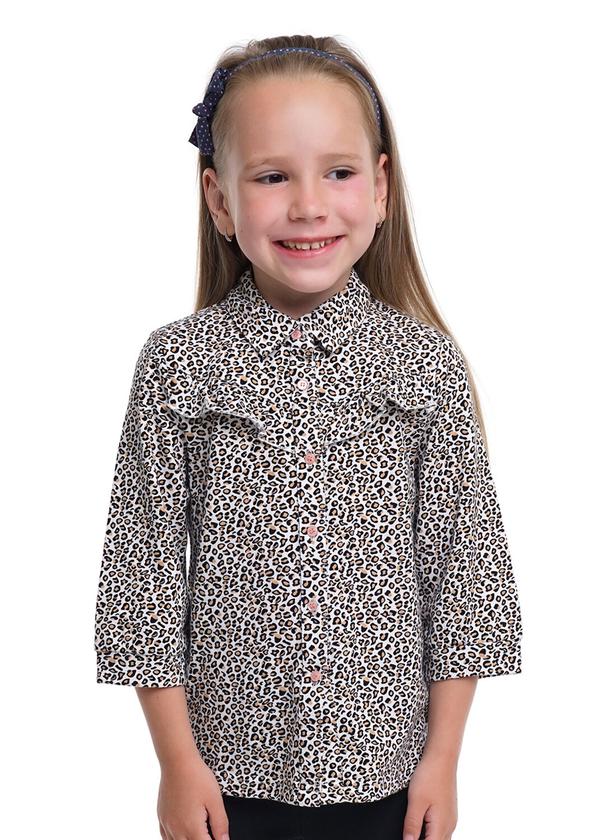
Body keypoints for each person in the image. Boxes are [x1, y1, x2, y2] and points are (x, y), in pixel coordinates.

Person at [94, 34, 523, 840]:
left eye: (338, 172)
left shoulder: (424, 363)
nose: (308, 205)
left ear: (381, 186)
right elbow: (141, 577)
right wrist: (177, 764)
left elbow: (465, 572)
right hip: (226, 780)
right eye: (271, 177)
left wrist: (443, 761)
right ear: (220, 199)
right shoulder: (178, 365)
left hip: (390, 778)